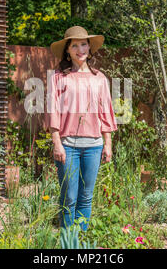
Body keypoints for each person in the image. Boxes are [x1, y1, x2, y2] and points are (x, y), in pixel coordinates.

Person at [45, 26, 118, 231]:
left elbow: (106, 113)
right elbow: (53, 111)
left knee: (86, 198)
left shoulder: (99, 78)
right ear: (67, 50)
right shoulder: (58, 78)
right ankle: (68, 243)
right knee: (69, 197)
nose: (80, 49)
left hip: (94, 146)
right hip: (68, 146)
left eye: (84, 44)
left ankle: (81, 241)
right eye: (74, 45)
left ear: (89, 48)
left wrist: (108, 145)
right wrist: (57, 143)